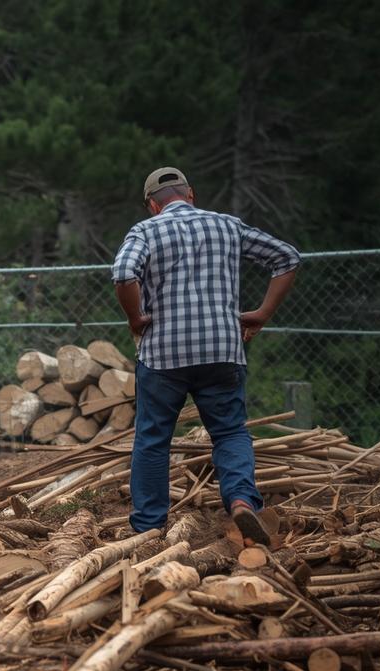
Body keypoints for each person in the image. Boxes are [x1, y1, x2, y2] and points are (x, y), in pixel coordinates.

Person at [112, 166, 300, 543]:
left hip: (164, 354)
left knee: (152, 438)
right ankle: (243, 503)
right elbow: (288, 258)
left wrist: (135, 318)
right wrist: (263, 313)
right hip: (222, 350)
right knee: (229, 431)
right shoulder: (228, 226)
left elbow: (123, 274)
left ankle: (149, 526)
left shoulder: (146, 230)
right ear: (191, 194)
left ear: (153, 205)